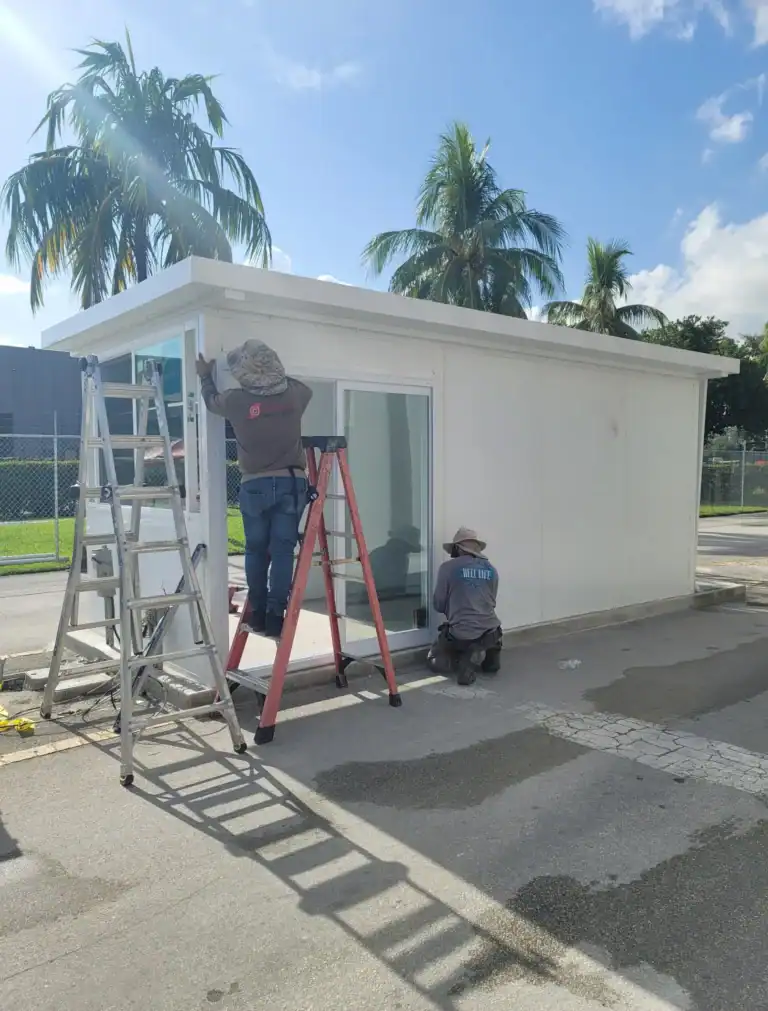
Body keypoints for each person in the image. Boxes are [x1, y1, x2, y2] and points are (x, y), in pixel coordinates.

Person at [196, 340, 313, 639]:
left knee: (255, 550)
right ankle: (276, 615)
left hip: (255, 485)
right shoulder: (295, 395)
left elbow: (210, 401)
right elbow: (304, 388)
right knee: (283, 551)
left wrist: (205, 376)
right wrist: (276, 381)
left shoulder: (236, 400)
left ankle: (258, 612)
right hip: (290, 481)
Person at [428, 526, 502, 685]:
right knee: (489, 632)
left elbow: (439, 604)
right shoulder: (491, 569)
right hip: (491, 629)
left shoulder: (447, 568)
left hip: (462, 632)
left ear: (458, 548)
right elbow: (492, 602)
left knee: (436, 660)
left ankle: (463, 659)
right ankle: (490, 655)